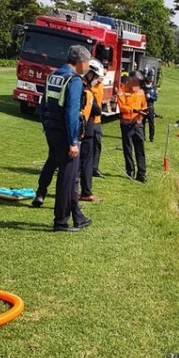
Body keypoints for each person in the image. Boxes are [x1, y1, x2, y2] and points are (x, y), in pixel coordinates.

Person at [39, 45, 92, 232]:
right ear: (80, 62)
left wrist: (46, 127)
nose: (87, 67)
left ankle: (78, 216)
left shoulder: (53, 76)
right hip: (66, 134)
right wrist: (73, 142)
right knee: (66, 178)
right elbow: (71, 113)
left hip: (51, 130)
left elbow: (42, 104)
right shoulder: (74, 80)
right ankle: (61, 221)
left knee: (68, 176)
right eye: (87, 63)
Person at [79, 59, 104, 202]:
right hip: (85, 130)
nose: (96, 80)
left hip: (81, 129)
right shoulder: (85, 89)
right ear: (90, 74)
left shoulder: (81, 85)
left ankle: (76, 190)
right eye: (95, 77)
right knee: (86, 162)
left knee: (77, 163)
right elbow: (96, 109)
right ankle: (86, 192)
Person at [116, 71, 147, 183]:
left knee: (140, 149)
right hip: (126, 124)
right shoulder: (122, 91)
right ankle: (130, 171)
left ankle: (142, 173)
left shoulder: (141, 92)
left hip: (137, 123)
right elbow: (122, 106)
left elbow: (144, 105)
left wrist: (142, 114)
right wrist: (133, 110)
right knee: (128, 149)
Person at [142, 74, 158, 142]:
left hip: (150, 107)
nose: (148, 84)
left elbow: (156, 98)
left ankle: (151, 137)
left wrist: (150, 97)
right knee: (142, 123)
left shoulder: (153, 88)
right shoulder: (142, 89)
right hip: (143, 107)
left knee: (151, 123)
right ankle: (143, 137)